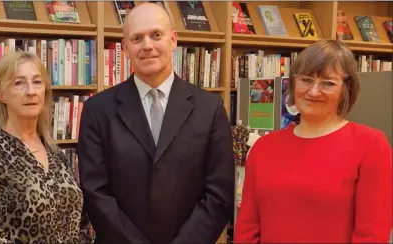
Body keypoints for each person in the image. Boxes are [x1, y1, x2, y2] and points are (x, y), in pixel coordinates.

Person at [77, 3, 235, 243]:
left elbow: (219, 195)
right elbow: (95, 192)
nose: (147, 45)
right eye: (137, 38)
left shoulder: (210, 108)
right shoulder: (98, 110)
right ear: (125, 48)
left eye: (156, 35)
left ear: (174, 40)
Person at [234, 39, 393, 243]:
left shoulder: (370, 144)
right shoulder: (264, 147)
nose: (314, 91)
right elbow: (247, 227)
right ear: (293, 82)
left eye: (328, 83)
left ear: (346, 88)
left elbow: (372, 234)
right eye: (307, 80)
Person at [0, 51, 92, 243]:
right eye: (19, 83)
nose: (31, 91)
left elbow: (80, 226)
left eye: (37, 82)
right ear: (1, 95)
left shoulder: (56, 154)